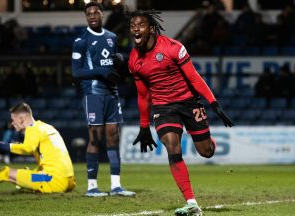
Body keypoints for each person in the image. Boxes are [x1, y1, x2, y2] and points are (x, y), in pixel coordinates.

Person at [125, 9, 234, 216]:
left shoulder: (173, 47)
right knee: (172, 147)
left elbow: (194, 78)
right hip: (164, 107)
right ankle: (191, 202)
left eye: (140, 25)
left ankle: (209, 142)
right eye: (132, 26)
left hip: (188, 102)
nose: (135, 29)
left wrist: (214, 103)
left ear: (151, 28)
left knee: (206, 151)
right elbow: (143, 95)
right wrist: (143, 125)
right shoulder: (133, 60)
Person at [71, 1, 135, 197]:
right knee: (96, 139)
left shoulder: (112, 37)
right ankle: (92, 187)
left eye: (95, 13)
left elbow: (114, 63)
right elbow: (76, 72)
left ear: (101, 14)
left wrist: (120, 60)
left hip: (112, 94)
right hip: (93, 94)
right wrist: (100, 72)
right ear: (86, 17)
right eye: (88, 14)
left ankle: (116, 186)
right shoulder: (81, 40)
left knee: (113, 138)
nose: (92, 16)